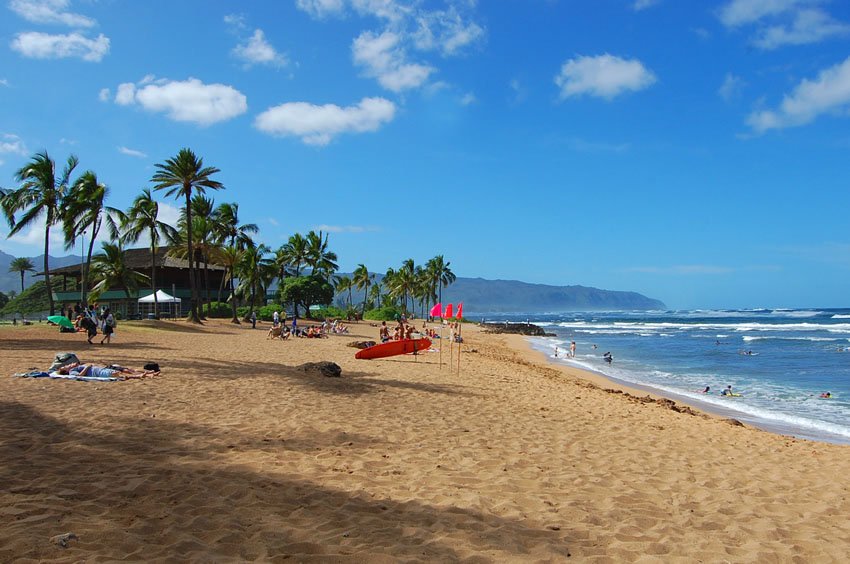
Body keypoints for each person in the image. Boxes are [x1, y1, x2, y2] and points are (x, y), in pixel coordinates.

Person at [57, 361, 160, 379]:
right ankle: (147, 374)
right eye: (66, 366)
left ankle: (148, 374)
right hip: (103, 370)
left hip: (103, 367)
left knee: (128, 369)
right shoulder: (72, 371)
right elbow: (79, 376)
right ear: (66, 371)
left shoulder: (76, 366)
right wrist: (87, 367)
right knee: (125, 371)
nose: (69, 364)